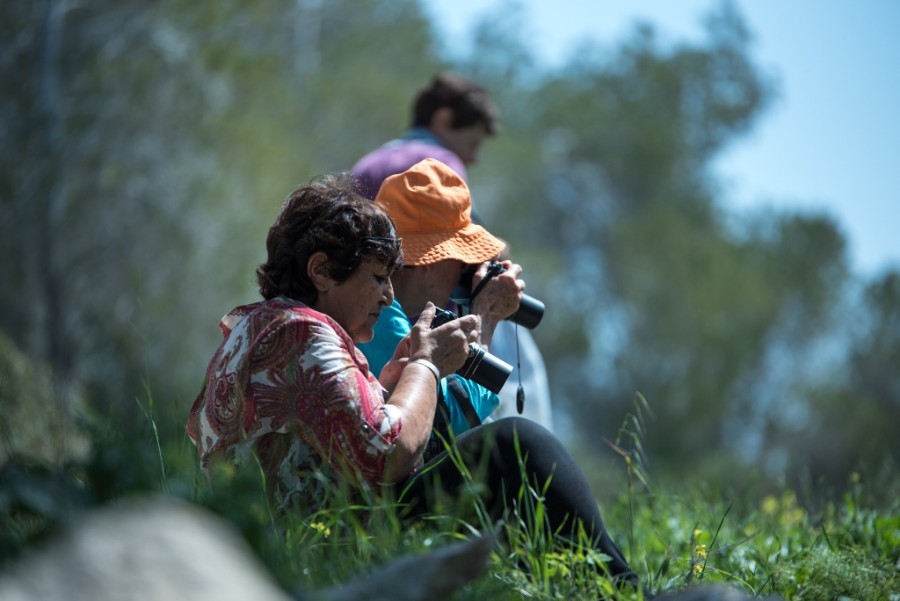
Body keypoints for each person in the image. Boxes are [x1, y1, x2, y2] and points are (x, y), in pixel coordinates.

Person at [186, 173, 641, 590]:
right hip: (331, 544)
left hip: (283, 542)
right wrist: (425, 364)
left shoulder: (255, 327)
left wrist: (389, 385)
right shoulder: (303, 330)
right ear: (321, 271)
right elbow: (389, 455)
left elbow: (333, 439)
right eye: (379, 277)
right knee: (514, 446)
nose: (387, 296)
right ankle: (627, 592)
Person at [352, 72, 554, 431]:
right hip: (416, 297)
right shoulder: (438, 165)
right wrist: (487, 311)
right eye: (473, 144)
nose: (473, 158)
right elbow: (449, 420)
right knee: (517, 429)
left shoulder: (369, 162)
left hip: (388, 282)